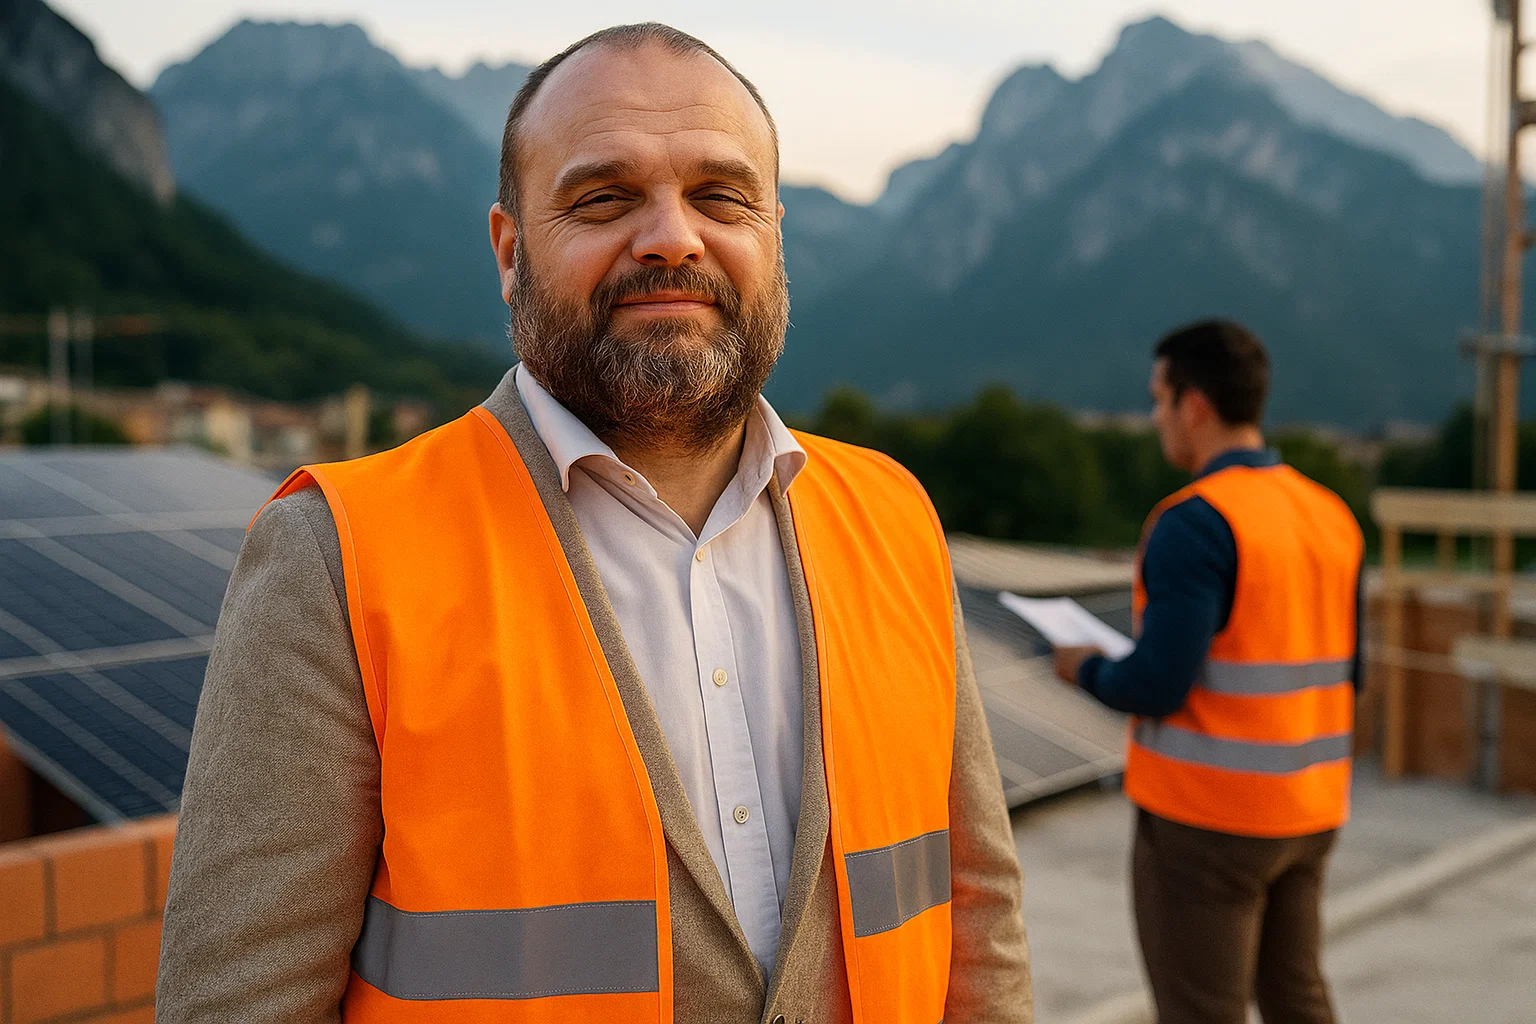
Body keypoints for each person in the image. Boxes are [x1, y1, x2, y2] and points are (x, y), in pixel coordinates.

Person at [155, 23, 1032, 1024]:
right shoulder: (337, 553)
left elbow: (979, 917)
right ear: (509, 249)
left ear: (776, 237)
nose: (672, 235)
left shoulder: (894, 517)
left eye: (722, 195)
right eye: (604, 198)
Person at [1054, 320, 1363, 1024]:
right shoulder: (1332, 515)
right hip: (1313, 812)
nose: (1156, 416)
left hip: (1209, 824)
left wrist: (1087, 669)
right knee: (1298, 996)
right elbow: (1353, 672)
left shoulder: (1193, 522)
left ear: (1195, 405)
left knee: (1201, 1011)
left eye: (1160, 399)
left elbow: (1158, 686)